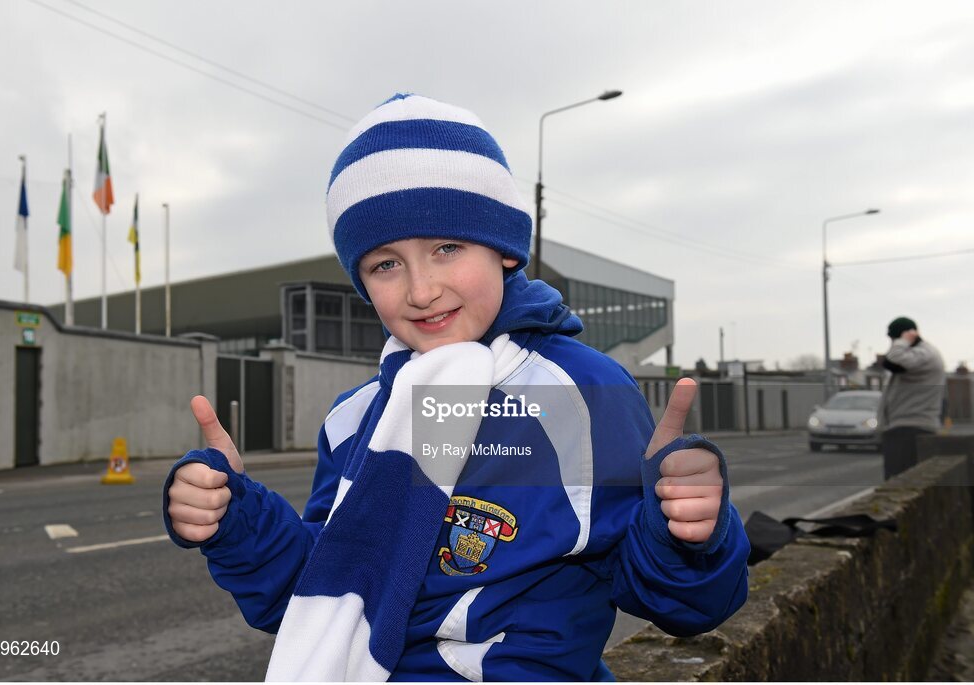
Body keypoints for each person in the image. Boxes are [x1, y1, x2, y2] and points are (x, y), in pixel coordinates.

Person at [162, 94, 749, 681]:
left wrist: (686, 532)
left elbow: (685, 604)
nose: (421, 289)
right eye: (385, 265)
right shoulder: (355, 418)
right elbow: (315, 600)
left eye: (447, 248)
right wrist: (235, 519)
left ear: (506, 252)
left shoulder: (581, 392)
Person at [877, 316, 946, 480]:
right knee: (899, 482)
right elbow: (890, 364)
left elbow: (893, 359)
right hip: (905, 427)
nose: (892, 344)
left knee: (899, 484)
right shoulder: (917, 354)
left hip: (911, 427)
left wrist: (902, 341)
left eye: (893, 339)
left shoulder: (924, 353)